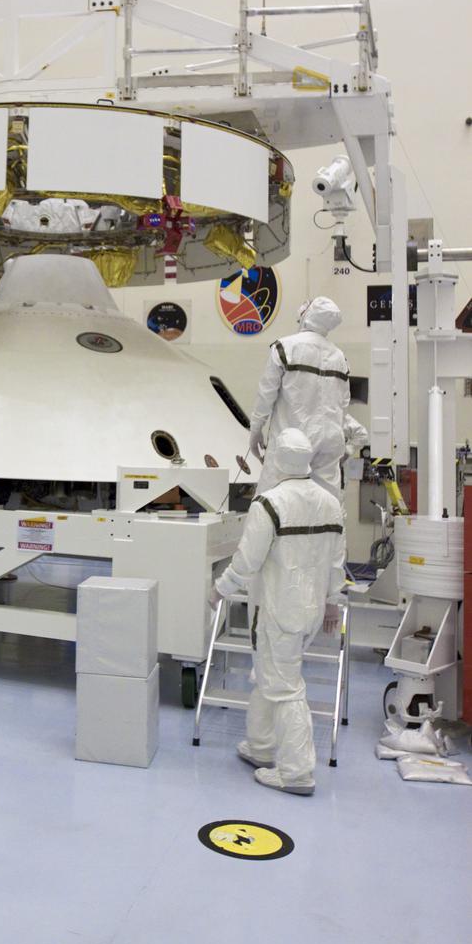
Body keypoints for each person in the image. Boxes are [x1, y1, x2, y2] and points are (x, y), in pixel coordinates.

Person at [210, 428, 346, 795]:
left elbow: (246, 562)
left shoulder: (269, 504)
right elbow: (337, 562)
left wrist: (218, 590)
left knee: (285, 687)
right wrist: (333, 602)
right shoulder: (331, 502)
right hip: (311, 611)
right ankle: (261, 746)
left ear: (276, 460)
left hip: (277, 611)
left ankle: (296, 772)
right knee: (268, 674)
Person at [249, 296, 349, 500]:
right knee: (328, 506)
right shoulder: (340, 357)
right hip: (329, 442)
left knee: (274, 502)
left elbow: (266, 394)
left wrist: (256, 428)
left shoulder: (284, 347)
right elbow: (344, 403)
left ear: (307, 316)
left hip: (293, 441)